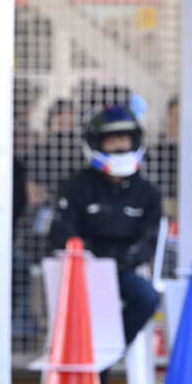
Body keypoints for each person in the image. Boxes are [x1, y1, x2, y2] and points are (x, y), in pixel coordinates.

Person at [47, 104, 163, 348]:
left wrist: (125, 260)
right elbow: (61, 230)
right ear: (97, 144)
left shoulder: (147, 193)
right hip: (84, 268)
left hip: (124, 268)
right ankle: (90, 357)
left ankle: (111, 349)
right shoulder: (76, 186)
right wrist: (89, 257)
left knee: (148, 298)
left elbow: (150, 238)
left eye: (124, 139)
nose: (120, 146)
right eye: (112, 140)